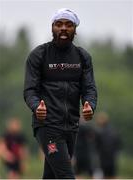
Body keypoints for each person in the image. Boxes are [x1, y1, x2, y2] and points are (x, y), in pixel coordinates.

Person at [24, 8, 97, 179]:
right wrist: (36, 107)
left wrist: (90, 105)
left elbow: (89, 88)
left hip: (71, 126)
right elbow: (30, 90)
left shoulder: (82, 56)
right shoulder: (39, 55)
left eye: (68, 24)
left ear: (75, 30)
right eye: (59, 24)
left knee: (52, 176)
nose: (63, 28)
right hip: (47, 126)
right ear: (52, 28)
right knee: (66, 175)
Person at [95, 112, 122, 179]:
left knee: (104, 176)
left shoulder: (99, 132)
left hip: (103, 157)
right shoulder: (114, 130)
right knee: (112, 175)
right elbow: (119, 144)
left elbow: (96, 145)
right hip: (112, 157)